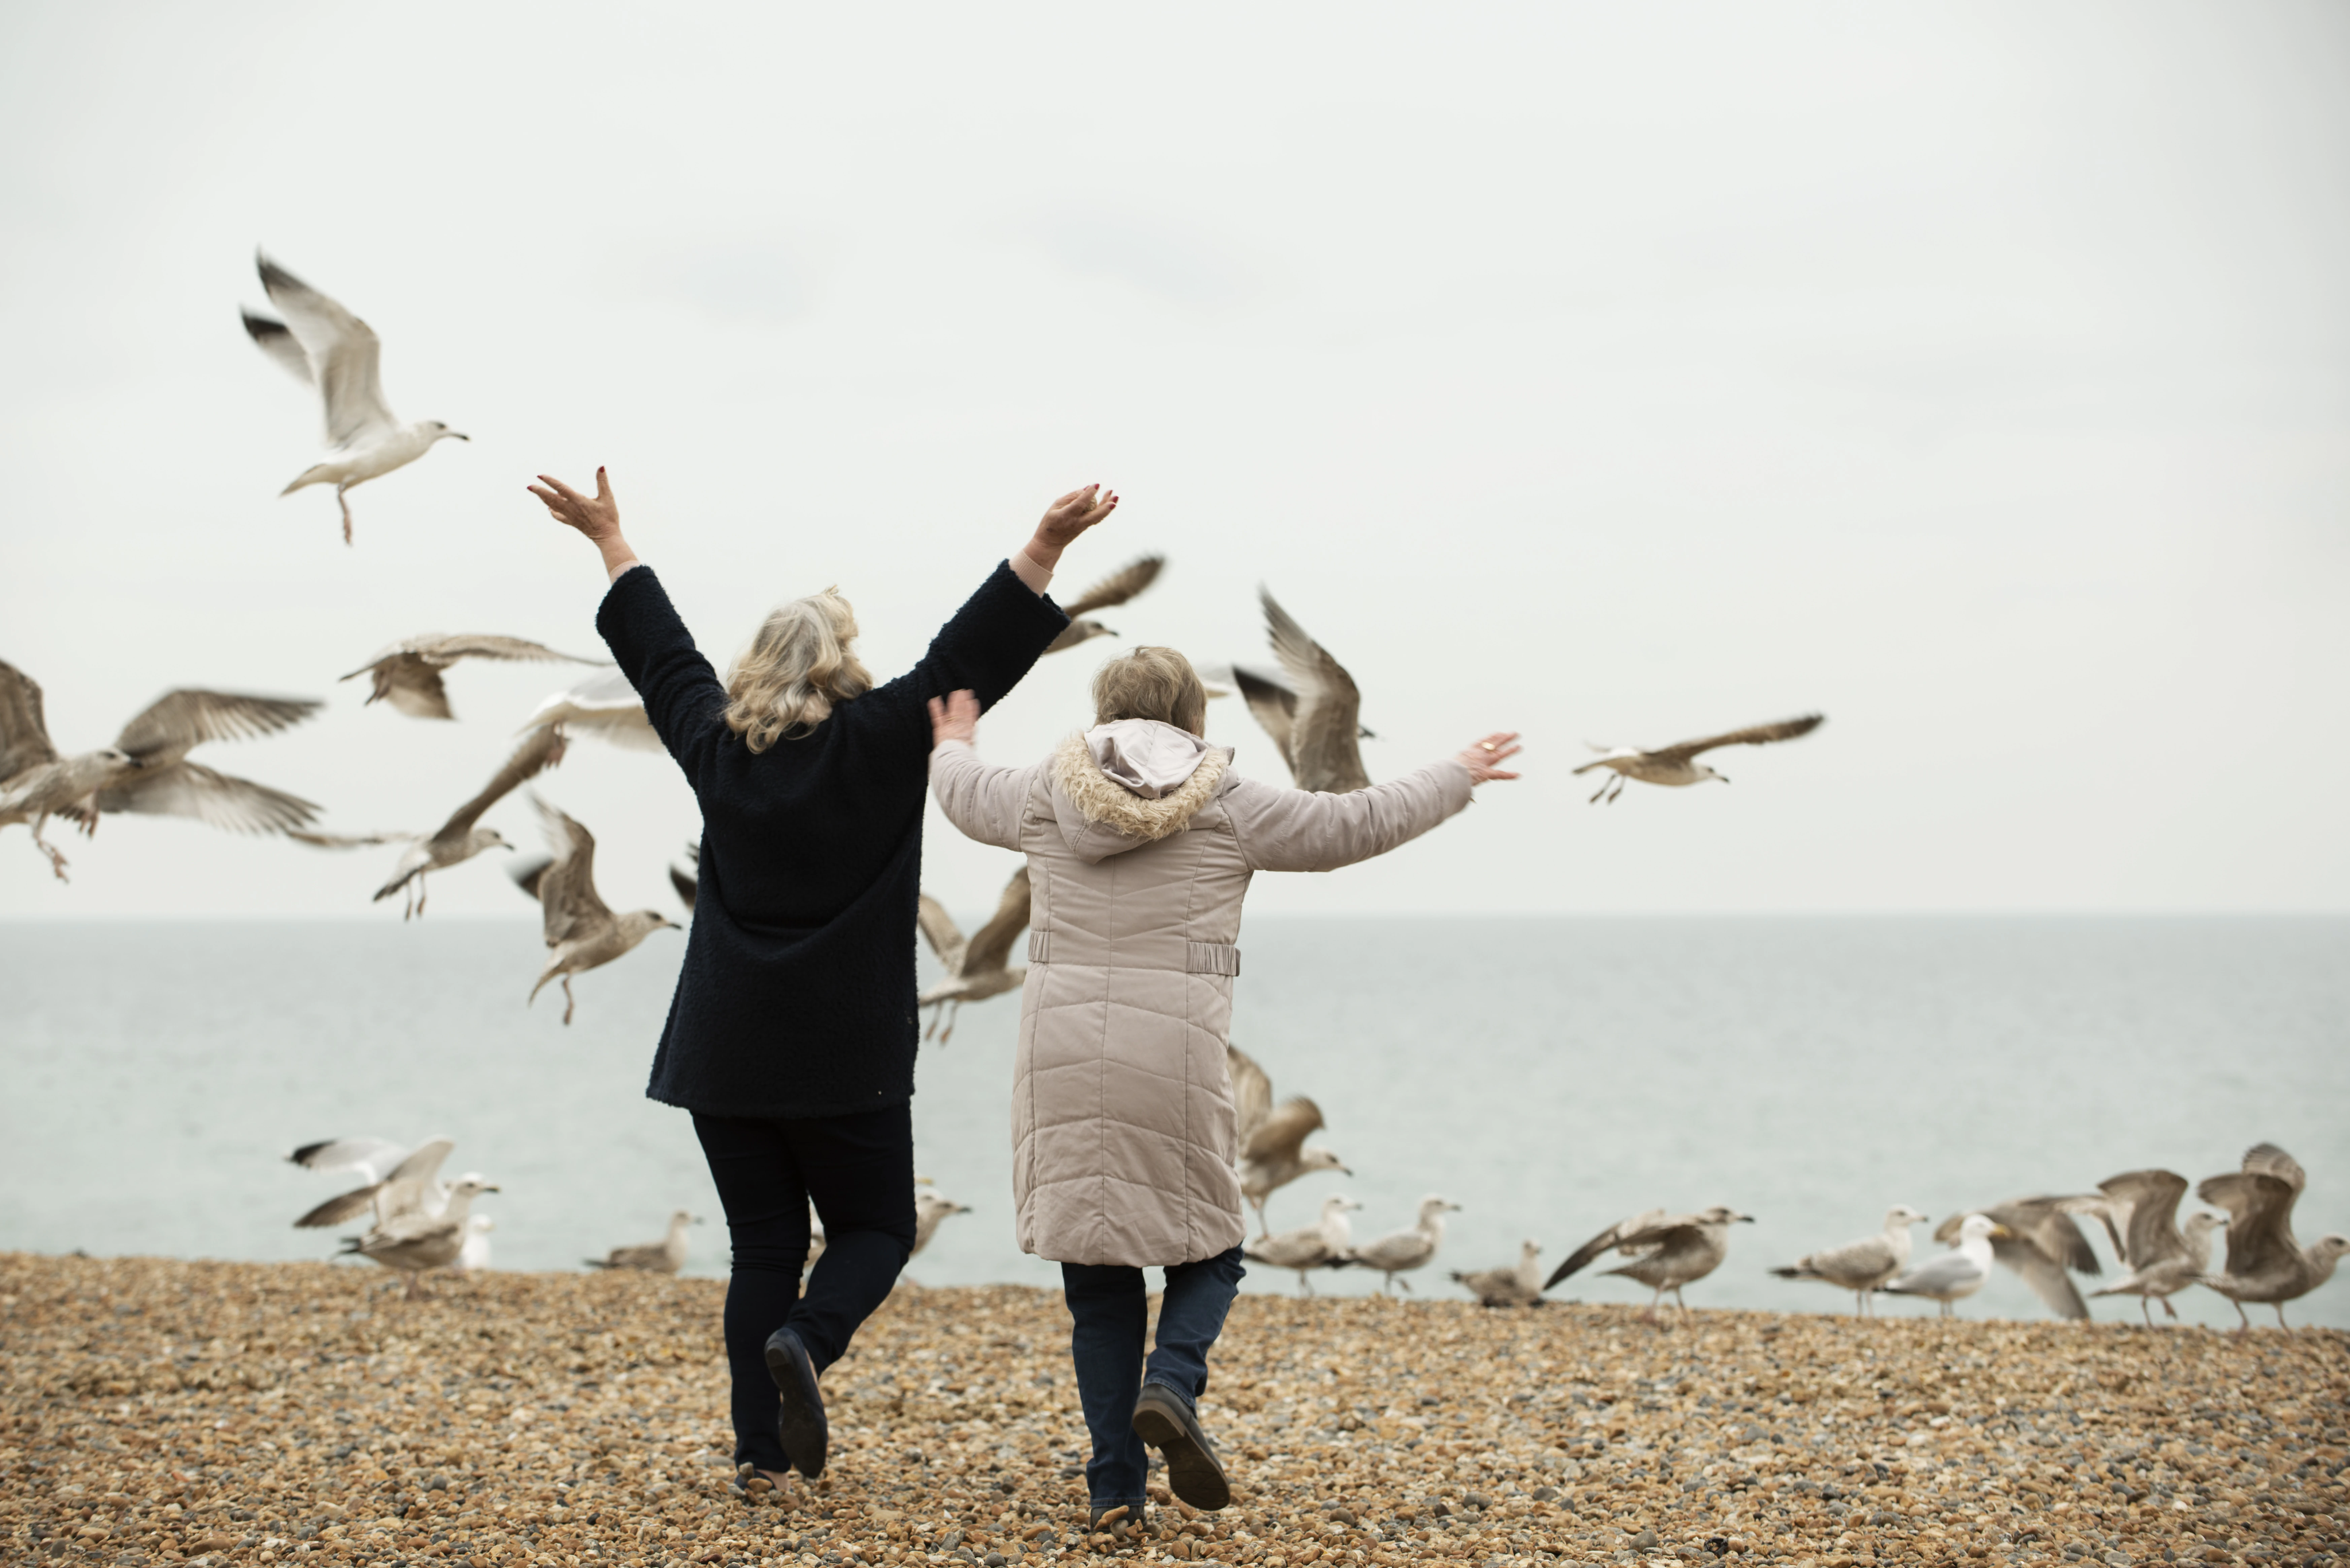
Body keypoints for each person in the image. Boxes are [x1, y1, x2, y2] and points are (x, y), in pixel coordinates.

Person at [529, 467, 1118, 1487]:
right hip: (844, 1045)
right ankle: (808, 1341)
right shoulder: (884, 738)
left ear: (755, 667)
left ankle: (760, 1453)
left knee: (760, 1246)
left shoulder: (716, 747)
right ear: (841, 664)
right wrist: (1044, 548)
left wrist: (611, 541)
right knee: (879, 1228)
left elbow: (659, 655)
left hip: (724, 1043)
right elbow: (967, 656)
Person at [926, 646, 1519, 1530]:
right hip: (1173, 1051)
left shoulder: (1044, 791)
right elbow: (1353, 825)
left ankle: (1113, 1494)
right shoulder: (1224, 799)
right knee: (1212, 1246)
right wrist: (1455, 774)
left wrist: (955, 739)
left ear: (1100, 712)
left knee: (1097, 1276)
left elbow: (963, 796)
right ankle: (1171, 1383)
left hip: (1058, 1051)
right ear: (1194, 720)